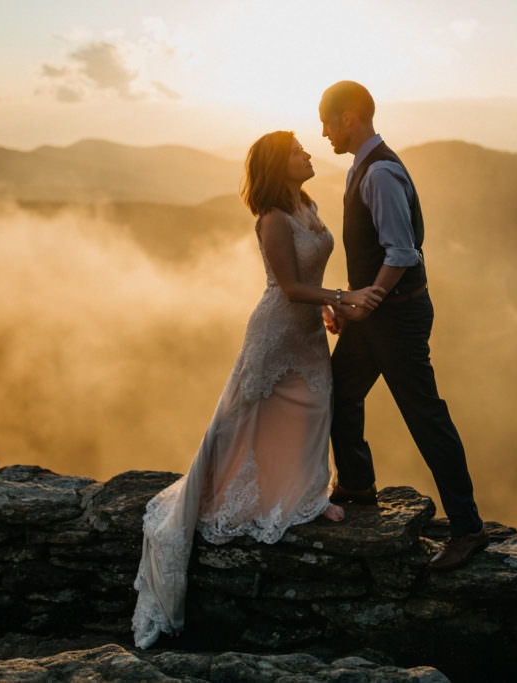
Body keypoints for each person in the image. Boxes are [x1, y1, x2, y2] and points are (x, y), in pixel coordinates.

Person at [131, 130, 386, 648]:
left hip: (308, 331)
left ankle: (304, 495)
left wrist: (328, 308)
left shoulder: (307, 202)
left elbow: (307, 282)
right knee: (244, 419)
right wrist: (343, 294)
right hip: (275, 332)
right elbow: (288, 286)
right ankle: (242, 493)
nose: (309, 154)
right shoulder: (272, 218)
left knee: (314, 410)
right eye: (298, 151)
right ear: (278, 165)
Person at [319, 81, 489, 571]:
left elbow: (401, 251)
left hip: (396, 316)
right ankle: (356, 485)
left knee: (425, 416)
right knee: (339, 391)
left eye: (327, 120)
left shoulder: (381, 174)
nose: (323, 131)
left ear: (349, 117)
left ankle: (468, 528)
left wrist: (365, 305)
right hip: (375, 314)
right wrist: (352, 301)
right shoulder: (361, 165)